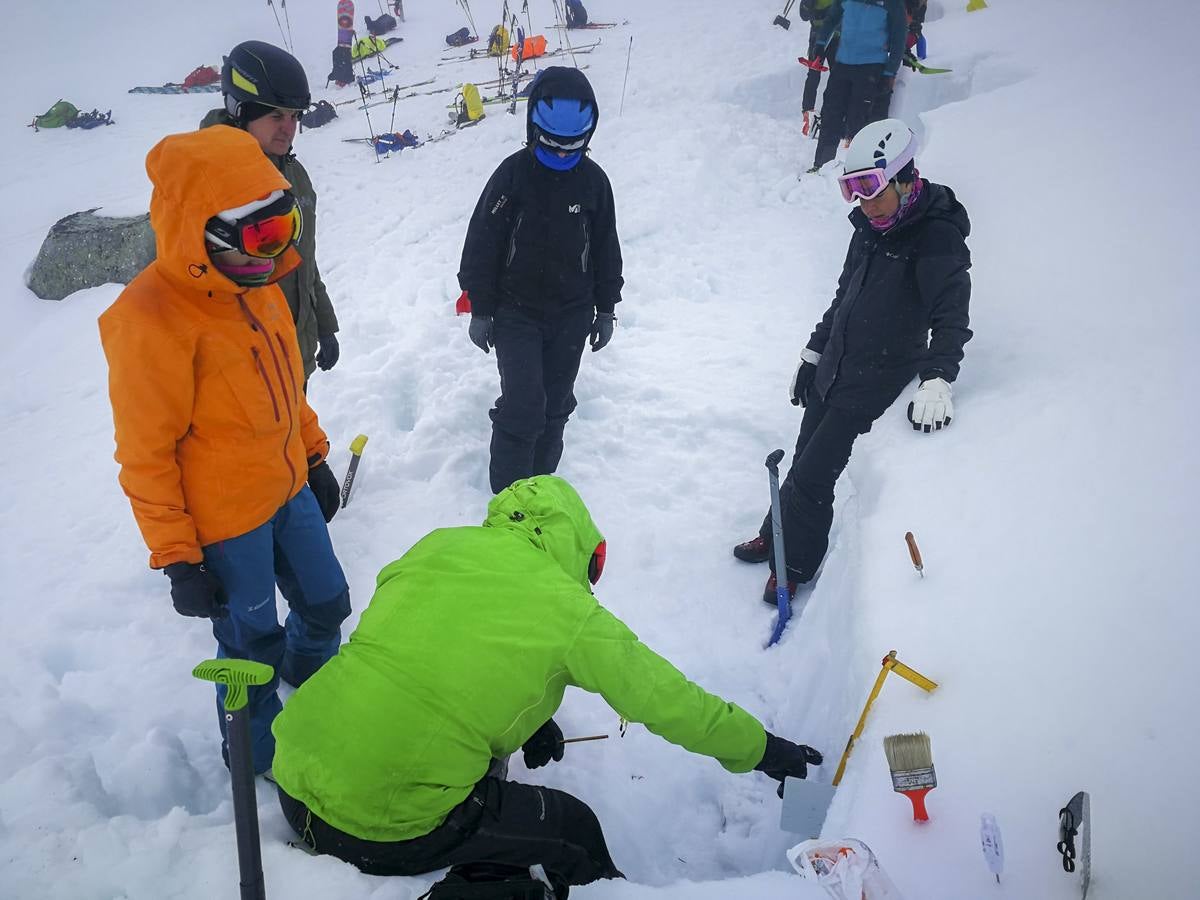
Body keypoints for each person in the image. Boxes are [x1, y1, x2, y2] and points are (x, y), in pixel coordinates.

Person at [271, 475, 822, 896]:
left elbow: (431, 653)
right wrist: (765, 750)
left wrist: (532, 719)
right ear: (579, 547)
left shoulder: (437, 545)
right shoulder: (571, 610)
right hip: (382, 825)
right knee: (571, 830)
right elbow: (668, 702)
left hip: (294, 776)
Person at [98, 125, 352, 774]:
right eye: (261, 237)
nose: (277, 252)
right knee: (249, 648)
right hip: (224, 522)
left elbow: (285, 385)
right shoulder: (149, 321)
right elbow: (144, 455)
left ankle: (312, 684)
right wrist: (178, 556)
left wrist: (316, 453)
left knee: (326, 603)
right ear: (201, 232)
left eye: (284, 227)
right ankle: (259, 759)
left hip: (286, 488)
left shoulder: (255, 284)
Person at [735, 119, 972, 603]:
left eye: (873, 191)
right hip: (836, 366)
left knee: (817, 475)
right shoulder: (868, 226)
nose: (864, 204)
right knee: (802, 459)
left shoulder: (936, 237)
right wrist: (813, 352)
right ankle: (774, 536)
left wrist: (938, 379)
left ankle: (795, 564)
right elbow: (845, 298)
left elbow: (951, 316)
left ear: (906, 180)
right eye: (854, 193)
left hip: (876, 378)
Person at [458, 67, 623, 495]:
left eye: (573, 145)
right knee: (524, 405)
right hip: (516, 312)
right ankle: (509, 499)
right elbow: (482, 242)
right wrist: (481, 307)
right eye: (553, 143)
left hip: (572, 312)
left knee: (555, 405)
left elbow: (606, 248)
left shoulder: (594, 182)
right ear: (533, 128)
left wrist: (606, 309)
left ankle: (540, 489)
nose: (563, 153)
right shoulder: (513, 176)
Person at [202, 40, 341, 386]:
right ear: (240, 110)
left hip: (293, 352)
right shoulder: (208, 181)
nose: (288, 127)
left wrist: (323, 326)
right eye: (275, 115)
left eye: (294, 116)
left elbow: (303, 258)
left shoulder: (294, 176)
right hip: (242, 372)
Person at [808, 0, 907, 172]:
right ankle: (821, 167)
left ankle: (861, 172)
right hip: (843, 64)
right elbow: (832, 18)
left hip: (872, 67)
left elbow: (899, 37)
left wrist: (890, 73)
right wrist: (820, 44)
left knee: (860, 122)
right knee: (831, 115)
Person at [797, 0, 839, 138]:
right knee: (814, 74)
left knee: (837, 76)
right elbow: (803, 14)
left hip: (837, 37)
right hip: (818, 35)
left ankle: (833, 114)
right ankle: (808, 113)